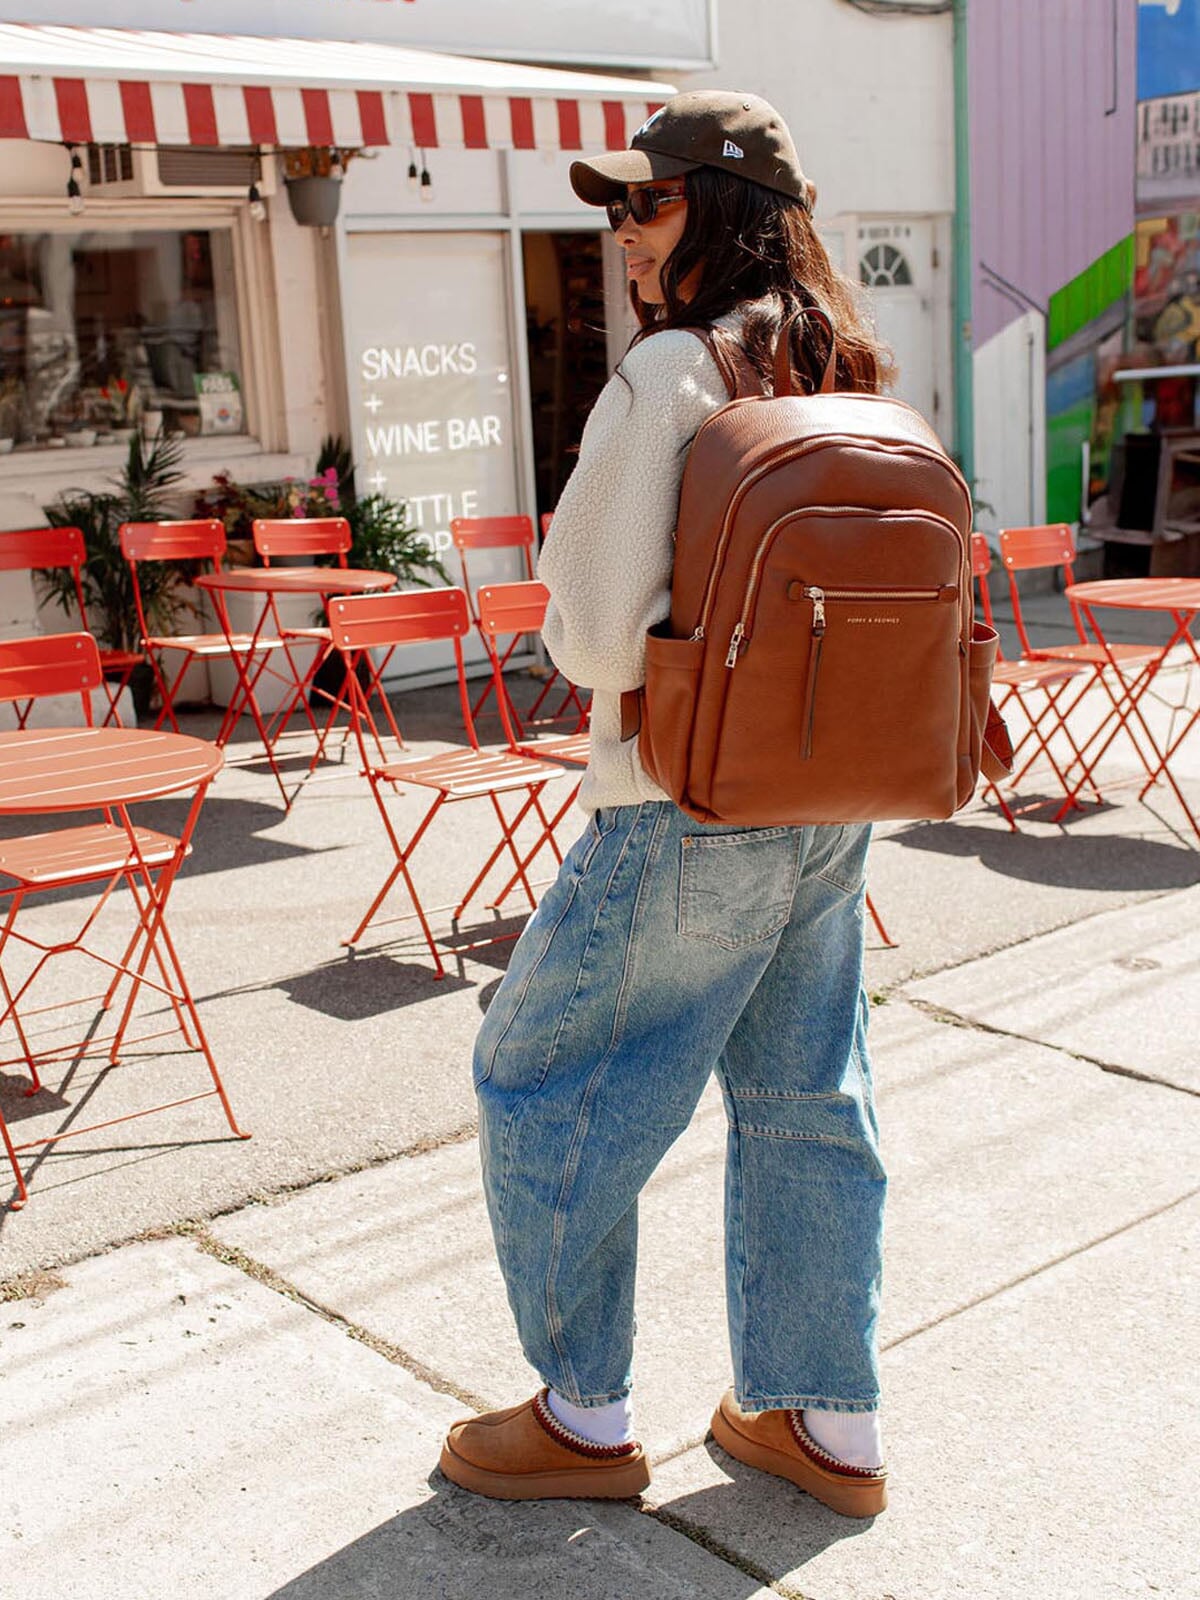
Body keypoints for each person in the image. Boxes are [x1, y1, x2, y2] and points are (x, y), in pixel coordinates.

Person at [439, 91, 892, 1520]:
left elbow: (586, 636)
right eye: (614, 208)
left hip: (687, 802)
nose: (622, 232)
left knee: (540, 1079)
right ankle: (826, 1425)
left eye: (647, 201)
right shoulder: (850, 361)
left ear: (722, 207)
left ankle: (583, 1414)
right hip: (835, 792)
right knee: (805, 1094)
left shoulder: (670, 380)